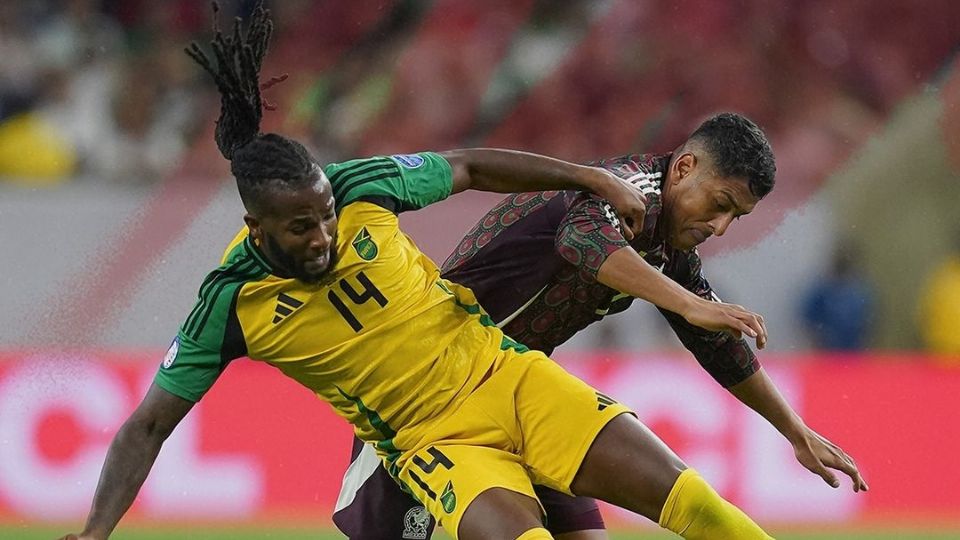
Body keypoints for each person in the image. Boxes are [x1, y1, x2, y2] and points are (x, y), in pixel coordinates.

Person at [60, 7, 853, 540]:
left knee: (699, 507)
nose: (324, 233)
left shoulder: (359, 189)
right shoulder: (231, 304)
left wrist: (793, 430)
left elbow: (471, 164)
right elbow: (146, 425)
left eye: (326, 212)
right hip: (419, 436)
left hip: (510, 377)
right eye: (302, 227)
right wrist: (94, 532)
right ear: (256, 228)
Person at [334, 113, 870, 540]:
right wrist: (687, 303)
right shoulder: (624, 190)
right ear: (684, 169)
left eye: (737, 219)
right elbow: (583, 241)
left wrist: (793, 430)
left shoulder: (667, 241)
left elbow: (717, 344)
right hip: (431, 395)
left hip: (521, 395)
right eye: (721, 204)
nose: (720, 227)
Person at [801, 243, 875, 351]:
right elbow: (808, 317)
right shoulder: (823, 290)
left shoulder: (859, 292)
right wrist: (819, 337)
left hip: (854, 351)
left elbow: (869, 321)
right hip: (826, 351)